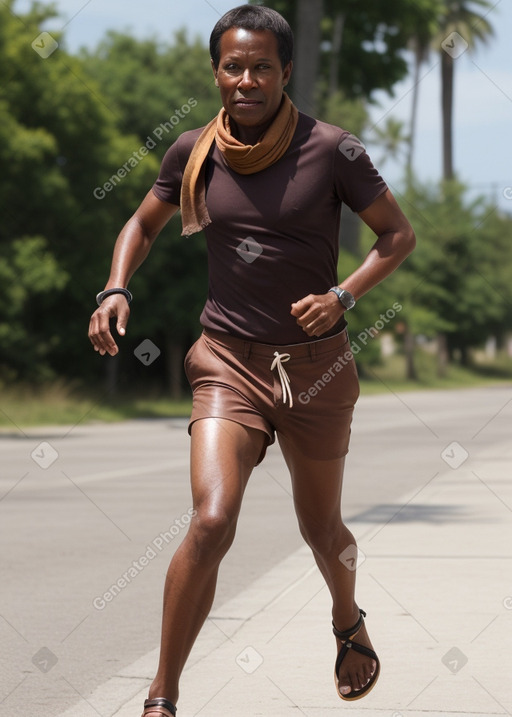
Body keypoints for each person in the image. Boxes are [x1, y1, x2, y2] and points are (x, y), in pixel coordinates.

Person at [89, 5, 415, 716]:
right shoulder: (191, 150)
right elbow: (143, 222)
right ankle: (162, 696)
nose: (246, 79)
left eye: (261, 65)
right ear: (216, 71)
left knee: (322, 530)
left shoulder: (333, 150)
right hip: (227, 364)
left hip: (317, 369)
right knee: (212, 518)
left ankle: (346, 618)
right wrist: (116, 286)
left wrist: (343, 295)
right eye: (233, 66)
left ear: (285, 70)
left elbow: (396, 236)